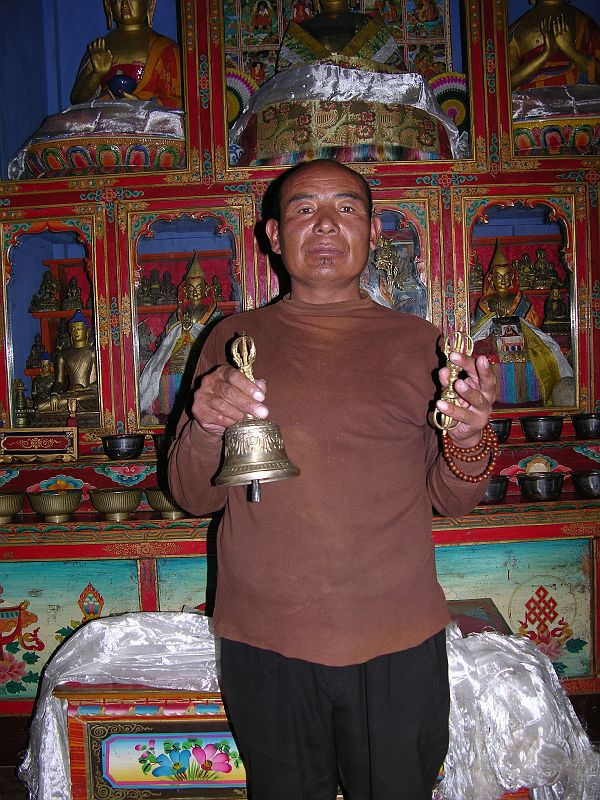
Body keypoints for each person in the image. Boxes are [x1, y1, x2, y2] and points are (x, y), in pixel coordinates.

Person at [168, 159, 497, 800]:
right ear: (271, 233)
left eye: (346, 209)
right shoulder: (233, 340)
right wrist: (205, 421)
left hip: (395, 638)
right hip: (264, 638)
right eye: (303, 209)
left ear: (374, 233)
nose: (324, 225)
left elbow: (452, 500)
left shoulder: (422, 345)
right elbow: (191, 495)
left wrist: (469, 435)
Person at [229, 0, 462, 165]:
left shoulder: (368, 25)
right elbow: (290, 76)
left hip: (375, 93)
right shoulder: (303, 30)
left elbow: (393, 71)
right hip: (308, 96)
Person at [472, 240, 572, 406]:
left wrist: (510, 318)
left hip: (523, 337)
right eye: (499, 277)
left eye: (506, 276)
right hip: (491, 339)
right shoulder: (486, 302)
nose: (503, 280)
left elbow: (532, 320)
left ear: (512, 277)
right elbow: (479, 326)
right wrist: (496, 318)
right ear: (491, 279)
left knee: (550, 350)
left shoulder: (519, 299)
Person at [71, 0, 181, 108]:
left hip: (150, 123)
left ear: (150, 4)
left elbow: (183, 101)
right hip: (107, 119)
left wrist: (144, 105)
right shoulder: (100, 48)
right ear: (108, 4)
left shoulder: (167, 49)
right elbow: (78, 100)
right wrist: (97, 74)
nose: (124, 4)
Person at [509, 0, 600, 91]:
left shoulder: (584, 23)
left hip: (576, 98)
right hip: (532, 100)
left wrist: (570, 51)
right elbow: (506, 83)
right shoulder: (517, 29)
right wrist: (545, 55)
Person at [35, 311, 99, 415]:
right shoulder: (63, 354)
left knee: (97, 403)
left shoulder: (92, 352)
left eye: (79, 329)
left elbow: (99, 382)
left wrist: (85, 388)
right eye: (73, 329)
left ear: (86, 331)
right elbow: (59, 382)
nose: (75, 332)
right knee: (39, 406)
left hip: (88, 395)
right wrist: (55, 393)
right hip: (70, 395)